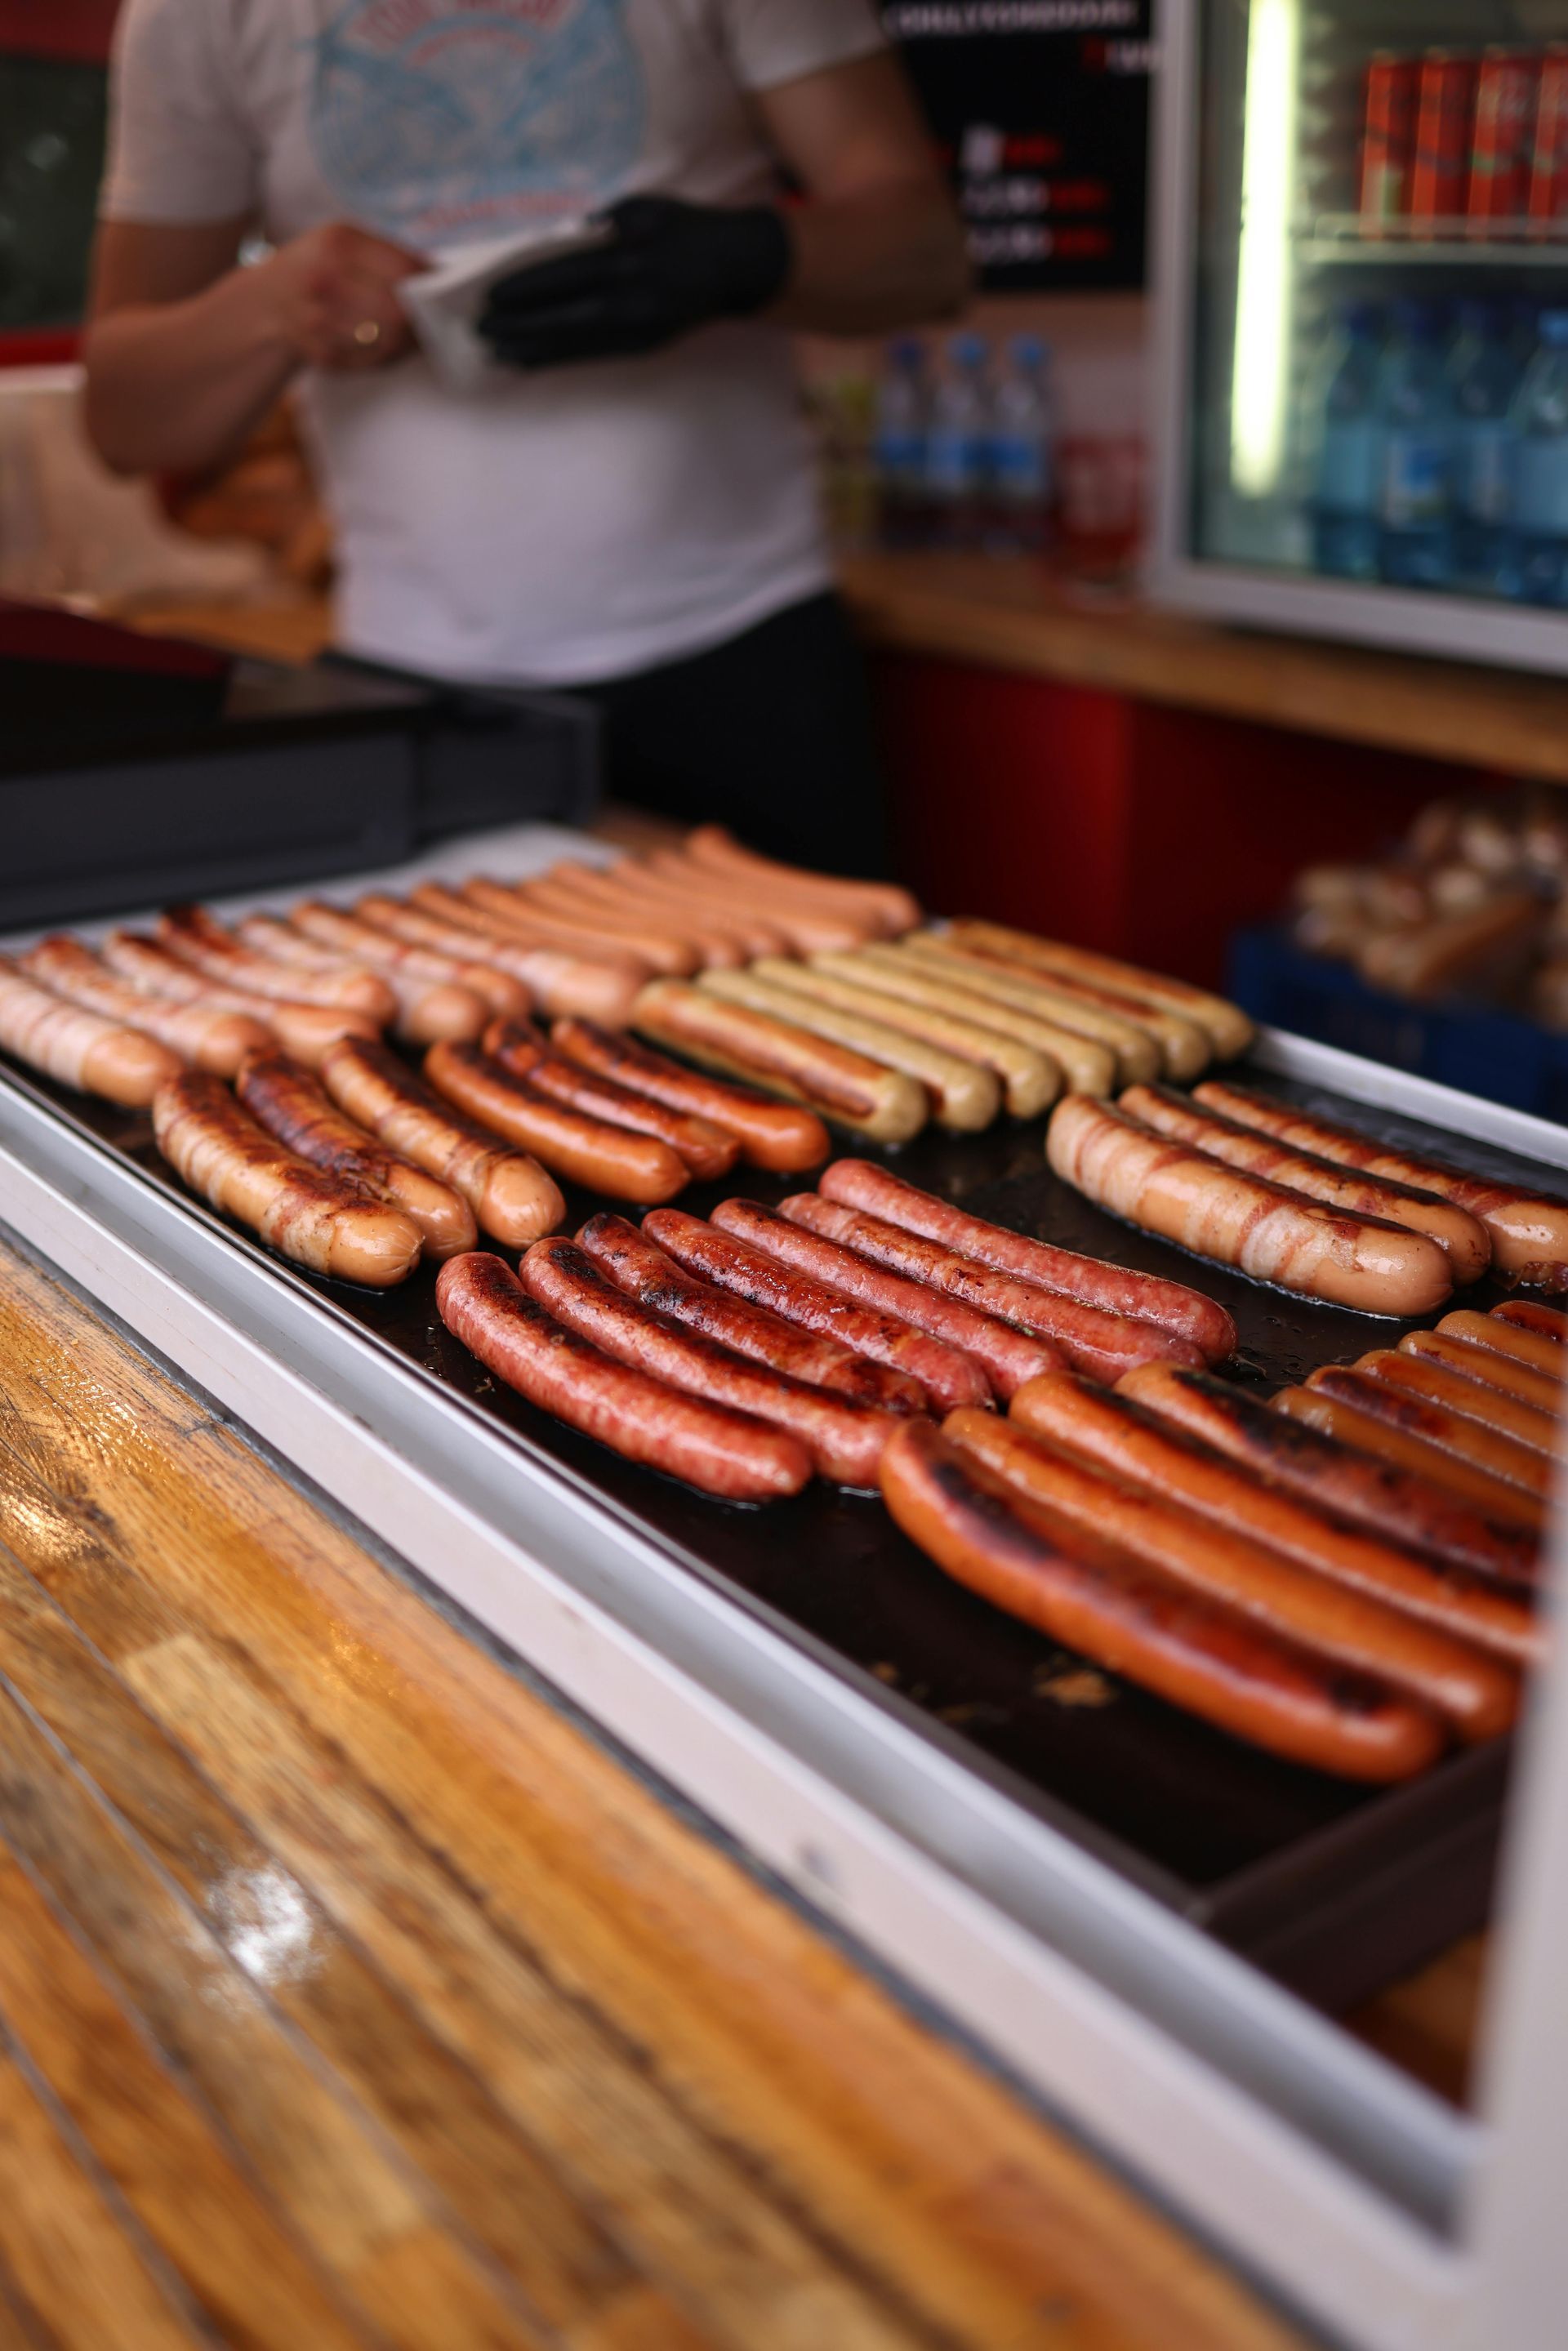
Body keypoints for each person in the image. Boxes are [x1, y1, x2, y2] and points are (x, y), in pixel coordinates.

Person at [85, 2, 969, 874]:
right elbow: (127, 422)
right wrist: (277, 306)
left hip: (745, 648)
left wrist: (744, 259)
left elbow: (928, 256)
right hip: (413, 679)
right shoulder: (193, 14)